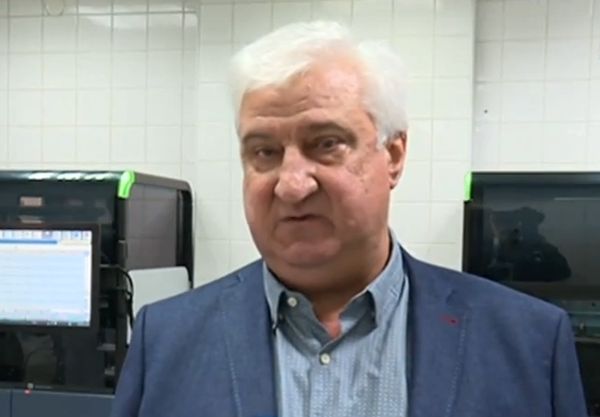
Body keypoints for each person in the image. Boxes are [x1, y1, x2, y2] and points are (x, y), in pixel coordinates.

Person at [111, 21, 587, 417]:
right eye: (264, 152)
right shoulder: (166, 342)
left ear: (393, 155)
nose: (291, 184)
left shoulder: (527, 342)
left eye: (326, 144)